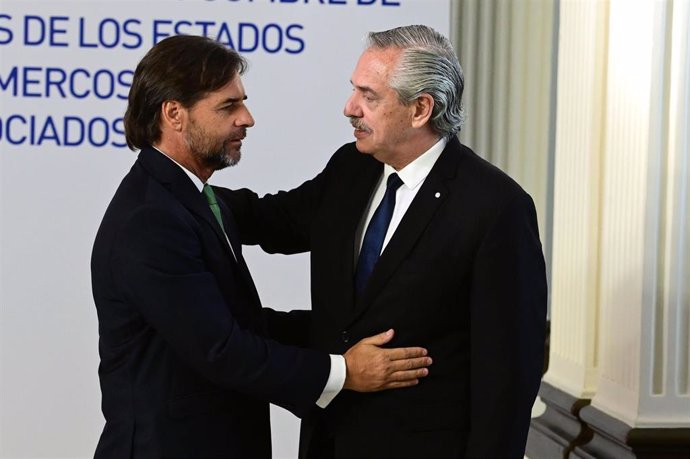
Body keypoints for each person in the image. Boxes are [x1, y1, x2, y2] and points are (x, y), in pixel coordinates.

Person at [90, 34, 432, 458]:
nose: (247, 118)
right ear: (174, 114)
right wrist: (345, 371)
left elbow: (246, 320)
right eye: (228, 106)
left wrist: (344, 330)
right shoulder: (151, 220)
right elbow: (223, 349)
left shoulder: (190, 199)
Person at [219, 25, 548, 458]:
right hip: (330, 441)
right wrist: (181, 188)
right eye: (354, 91)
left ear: (420, 109)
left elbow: (507, 376)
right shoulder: (352, 169)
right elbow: (270, 221)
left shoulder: (495, 208)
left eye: (369, 97)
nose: (349, 108)